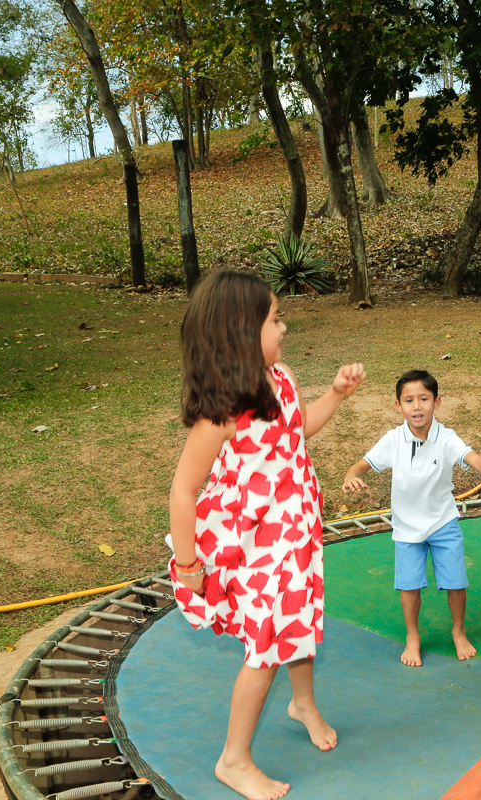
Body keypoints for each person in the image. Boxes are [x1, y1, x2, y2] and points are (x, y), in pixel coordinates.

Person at [167, 270, 365, 800]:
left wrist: (336, 395)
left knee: (298, 621)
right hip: (259, 551)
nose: (284, 326)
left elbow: (299, 430)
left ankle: (302, 704)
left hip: (296, 534)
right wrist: (188, 567)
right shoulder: (222, 413)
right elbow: (182, 492)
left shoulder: (281, 380)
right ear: (238, 334)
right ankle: (233, 760)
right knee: (266, 649)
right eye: (274, 319)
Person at [341, 370, 481, 667]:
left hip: (443, 521)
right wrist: (351, 475)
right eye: (409, 400)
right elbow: (362, 464)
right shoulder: (393, 440)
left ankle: (458, 631)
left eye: (424, 399)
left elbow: (472, 458)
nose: (417, 407)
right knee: (409, 586)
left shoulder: (447, 438)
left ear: (437, 402)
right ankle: (413, 637)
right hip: (406, 528)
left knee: (456, 582)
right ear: (398, 405)